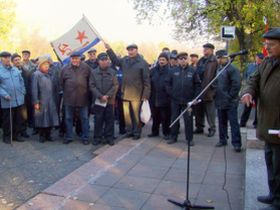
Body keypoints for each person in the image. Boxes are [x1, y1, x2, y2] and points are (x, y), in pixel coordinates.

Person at [241, 27, 280, 210]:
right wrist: (248, 92)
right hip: (267, 124)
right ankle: (274, 194)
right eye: (265, 44)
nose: (267, 48)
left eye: (271, 44)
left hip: (279, 126)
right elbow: (253, 80)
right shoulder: (266, 63)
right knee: (270, 162)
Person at [104, 43, 150, 140]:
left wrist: (145, 94)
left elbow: (146, 80)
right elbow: (116, 61)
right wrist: (109, 49)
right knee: (127, 115)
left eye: (132, 49)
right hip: (125, 93)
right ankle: (129, 131)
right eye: (128, 50)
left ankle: (136, 132)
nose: (130, 51)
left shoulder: (143, 63)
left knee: (136, 115)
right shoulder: (125, 60)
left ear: (136, 50)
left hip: (137, 94)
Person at [165, 52, 201, 145]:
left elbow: (197, 85)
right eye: (181, 59)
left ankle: (189, 139)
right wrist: (171, 94)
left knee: (188, 121)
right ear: (178, 60)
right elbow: (167, 84)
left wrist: (195, 98)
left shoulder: (193, 71)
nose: (183, 60)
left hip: (188, 101)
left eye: (185, 58)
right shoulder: (172, 71)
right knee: (174, 119)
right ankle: (173, 137)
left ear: (187, 59)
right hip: (175, 100)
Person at [60, 52, 91, 145]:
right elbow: (60, 83)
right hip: (69, 99)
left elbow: (91, 81)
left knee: (84, 118)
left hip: (83, 98)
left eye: (77, 58)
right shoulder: (65, 69)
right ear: (70, 59)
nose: (75, 60)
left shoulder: (86, 68)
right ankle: (69, 136)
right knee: (68, 118)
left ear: (80, 58)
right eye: (73, 58)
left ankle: (85, 137)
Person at [214, 50, 242, 152]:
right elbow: (216, 83)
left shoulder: (232, 69)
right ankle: (222, 139)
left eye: (219, 58)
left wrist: (229, 96)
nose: (218, 60)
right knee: (221, 122)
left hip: (230, 101)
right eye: (217, 58)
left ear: (224, 58)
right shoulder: (218, 69)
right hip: (220, 99)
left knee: (233, 122)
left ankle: (237, 143)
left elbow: (236, 84)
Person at [90, 53, 119, 146]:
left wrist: (107, 96)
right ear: (98, 61)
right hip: (98, 100)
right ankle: (97, 138)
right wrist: (100, 96)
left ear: (108, 61)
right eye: (102, 60)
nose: (104, 62)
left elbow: (116, 85)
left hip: (109, 100)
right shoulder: (93, 72)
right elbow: (91, 85)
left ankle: (109, 137)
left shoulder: (112, 72)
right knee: (98, 119)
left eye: (106, 60)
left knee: (110, 120)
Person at [31, 56, 59, 143]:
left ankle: (48, 134)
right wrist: (36, 101)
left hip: (51, 100)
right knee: (42, 118)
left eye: (48, 65)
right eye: (45, 65)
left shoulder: (50, 74)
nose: (47, 67)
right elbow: (34, 89)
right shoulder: (36, 75)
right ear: (40, 66)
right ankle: (42, 135)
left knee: (50, 117)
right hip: (41, 100)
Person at [0, 51, 26, 144]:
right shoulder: (0, 71)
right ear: (1, 59)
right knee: (8, 120)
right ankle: (7, 136)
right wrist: (4, 94)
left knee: (18, 119)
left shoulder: (15, 69)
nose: (7, 59)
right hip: (7, 100)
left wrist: (23, 91)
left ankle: (17, 135)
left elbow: (21, 81)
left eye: (8, 57)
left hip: (19, 99)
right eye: (5, 57)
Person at [195, 43, 218, 137]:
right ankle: (199, 127)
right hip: (199, 89)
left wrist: (213, 88)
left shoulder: (214, 61)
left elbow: (217, 76)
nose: (205, 51)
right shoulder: (200, 60)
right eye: (204, 49)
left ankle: (212, 128)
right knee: (198, 110)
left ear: (212, 50)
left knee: (210, 112)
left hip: (209, 90)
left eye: (207, 49)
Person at [148, 52, 171, 140]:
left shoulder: (170, 71)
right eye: (160, 59)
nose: (161, 61)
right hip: (154, 97)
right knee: (155, 116)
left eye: (163, 60)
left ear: (167, 61)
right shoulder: (153, 70)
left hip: (165, 98)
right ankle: (155, 131)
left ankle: (166, 132)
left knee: (165, 117)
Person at [240, 53, 264, 128]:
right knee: (247, 106)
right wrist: (245, 87)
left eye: (261, 58)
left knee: (258, 108)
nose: (260, 60)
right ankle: (242, 122)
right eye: (259, 58)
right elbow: (246, 76)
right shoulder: (250, 66)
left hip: (260, 90)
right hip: (250, 89)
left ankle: (256, 123)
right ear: (256, 58)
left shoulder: (264, 66)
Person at [11, 53, 30, 138]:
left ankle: (23, 131)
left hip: (25, 96)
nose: (18, 61)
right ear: (12, 62)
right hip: (15, 97)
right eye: (16, 60)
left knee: (24, 115)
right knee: (17, 116)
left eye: (19, 59)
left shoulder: (24, 69)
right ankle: (16, 132)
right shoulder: (11, 71)